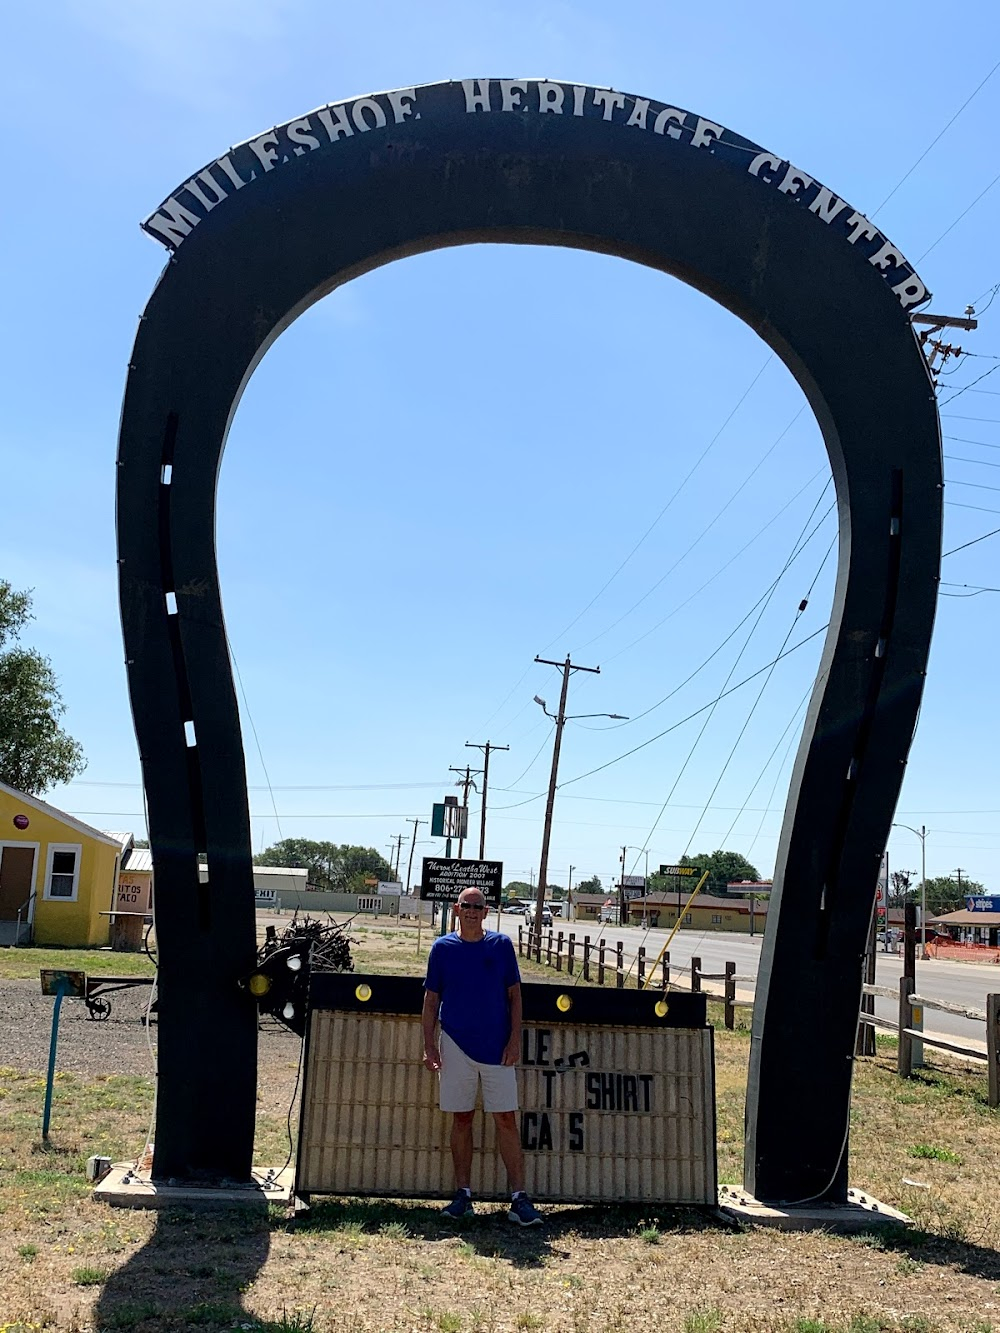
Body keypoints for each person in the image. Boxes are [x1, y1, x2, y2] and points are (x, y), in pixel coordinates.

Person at [422, 886, 542, 1226]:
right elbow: (431, 1000)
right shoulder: (442, 948)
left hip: (497, 1049)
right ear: (456, 909)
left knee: (506, 1119)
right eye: (466, 905)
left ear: (486, 911)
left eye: (478, 906)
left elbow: (515, 996)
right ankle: (463, 1195)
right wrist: (429, 1044)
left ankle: (519, 1199)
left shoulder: (501, 946)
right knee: (461, 1119)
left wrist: (514, 1040)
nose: (472, 911)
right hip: (455, 1045)